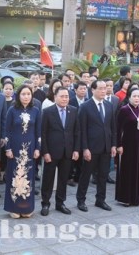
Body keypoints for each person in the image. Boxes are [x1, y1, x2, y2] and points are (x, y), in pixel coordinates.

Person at [76, 80, 117, 212]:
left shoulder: (109, 105)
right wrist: (85, 148)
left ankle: (101, 200)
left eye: (105, 88)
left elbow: (112, 128)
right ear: (92, 90)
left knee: (103, 175)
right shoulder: (85, 106)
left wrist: (113, 145)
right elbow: (81, 129)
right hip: (91, 148)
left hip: (106, 146)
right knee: (86, 175)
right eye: (100, 88)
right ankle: (81, 200)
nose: (104, 91)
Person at [40, 87, 79, 216]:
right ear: (55, 97)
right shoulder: (47, 112)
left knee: (63, 179)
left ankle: (60, 203)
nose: (64, 99)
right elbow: (43, 133)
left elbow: (76, 132)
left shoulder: (73, 111)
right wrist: (45, 152)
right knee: (48, 179)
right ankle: (45, 203)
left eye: (66, 96)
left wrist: (76, 150)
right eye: (62, 96)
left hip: (67, 151)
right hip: (51, 152)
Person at [4, 85, 41, 218]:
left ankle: (26, 208)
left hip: (30, 148)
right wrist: (7, 148)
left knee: (28, 176)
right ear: (18, 95)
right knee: (15, 176)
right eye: (23, 94)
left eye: (28, 94)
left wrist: (38, 148)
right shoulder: (12, 110)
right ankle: (13, 207)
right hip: (15, 148)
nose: (26, 96)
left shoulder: (36, 110)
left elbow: (38, 132)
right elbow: (6, 130)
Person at [116, 88, 139, 206]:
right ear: (129, 97)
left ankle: (136, 197)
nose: (137, 98)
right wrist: (119, 145)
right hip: (127, 145)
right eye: (134, 96)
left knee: (138, 170)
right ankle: (125, 198)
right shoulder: (124, 110)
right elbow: (118, 129)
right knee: (128, 170)